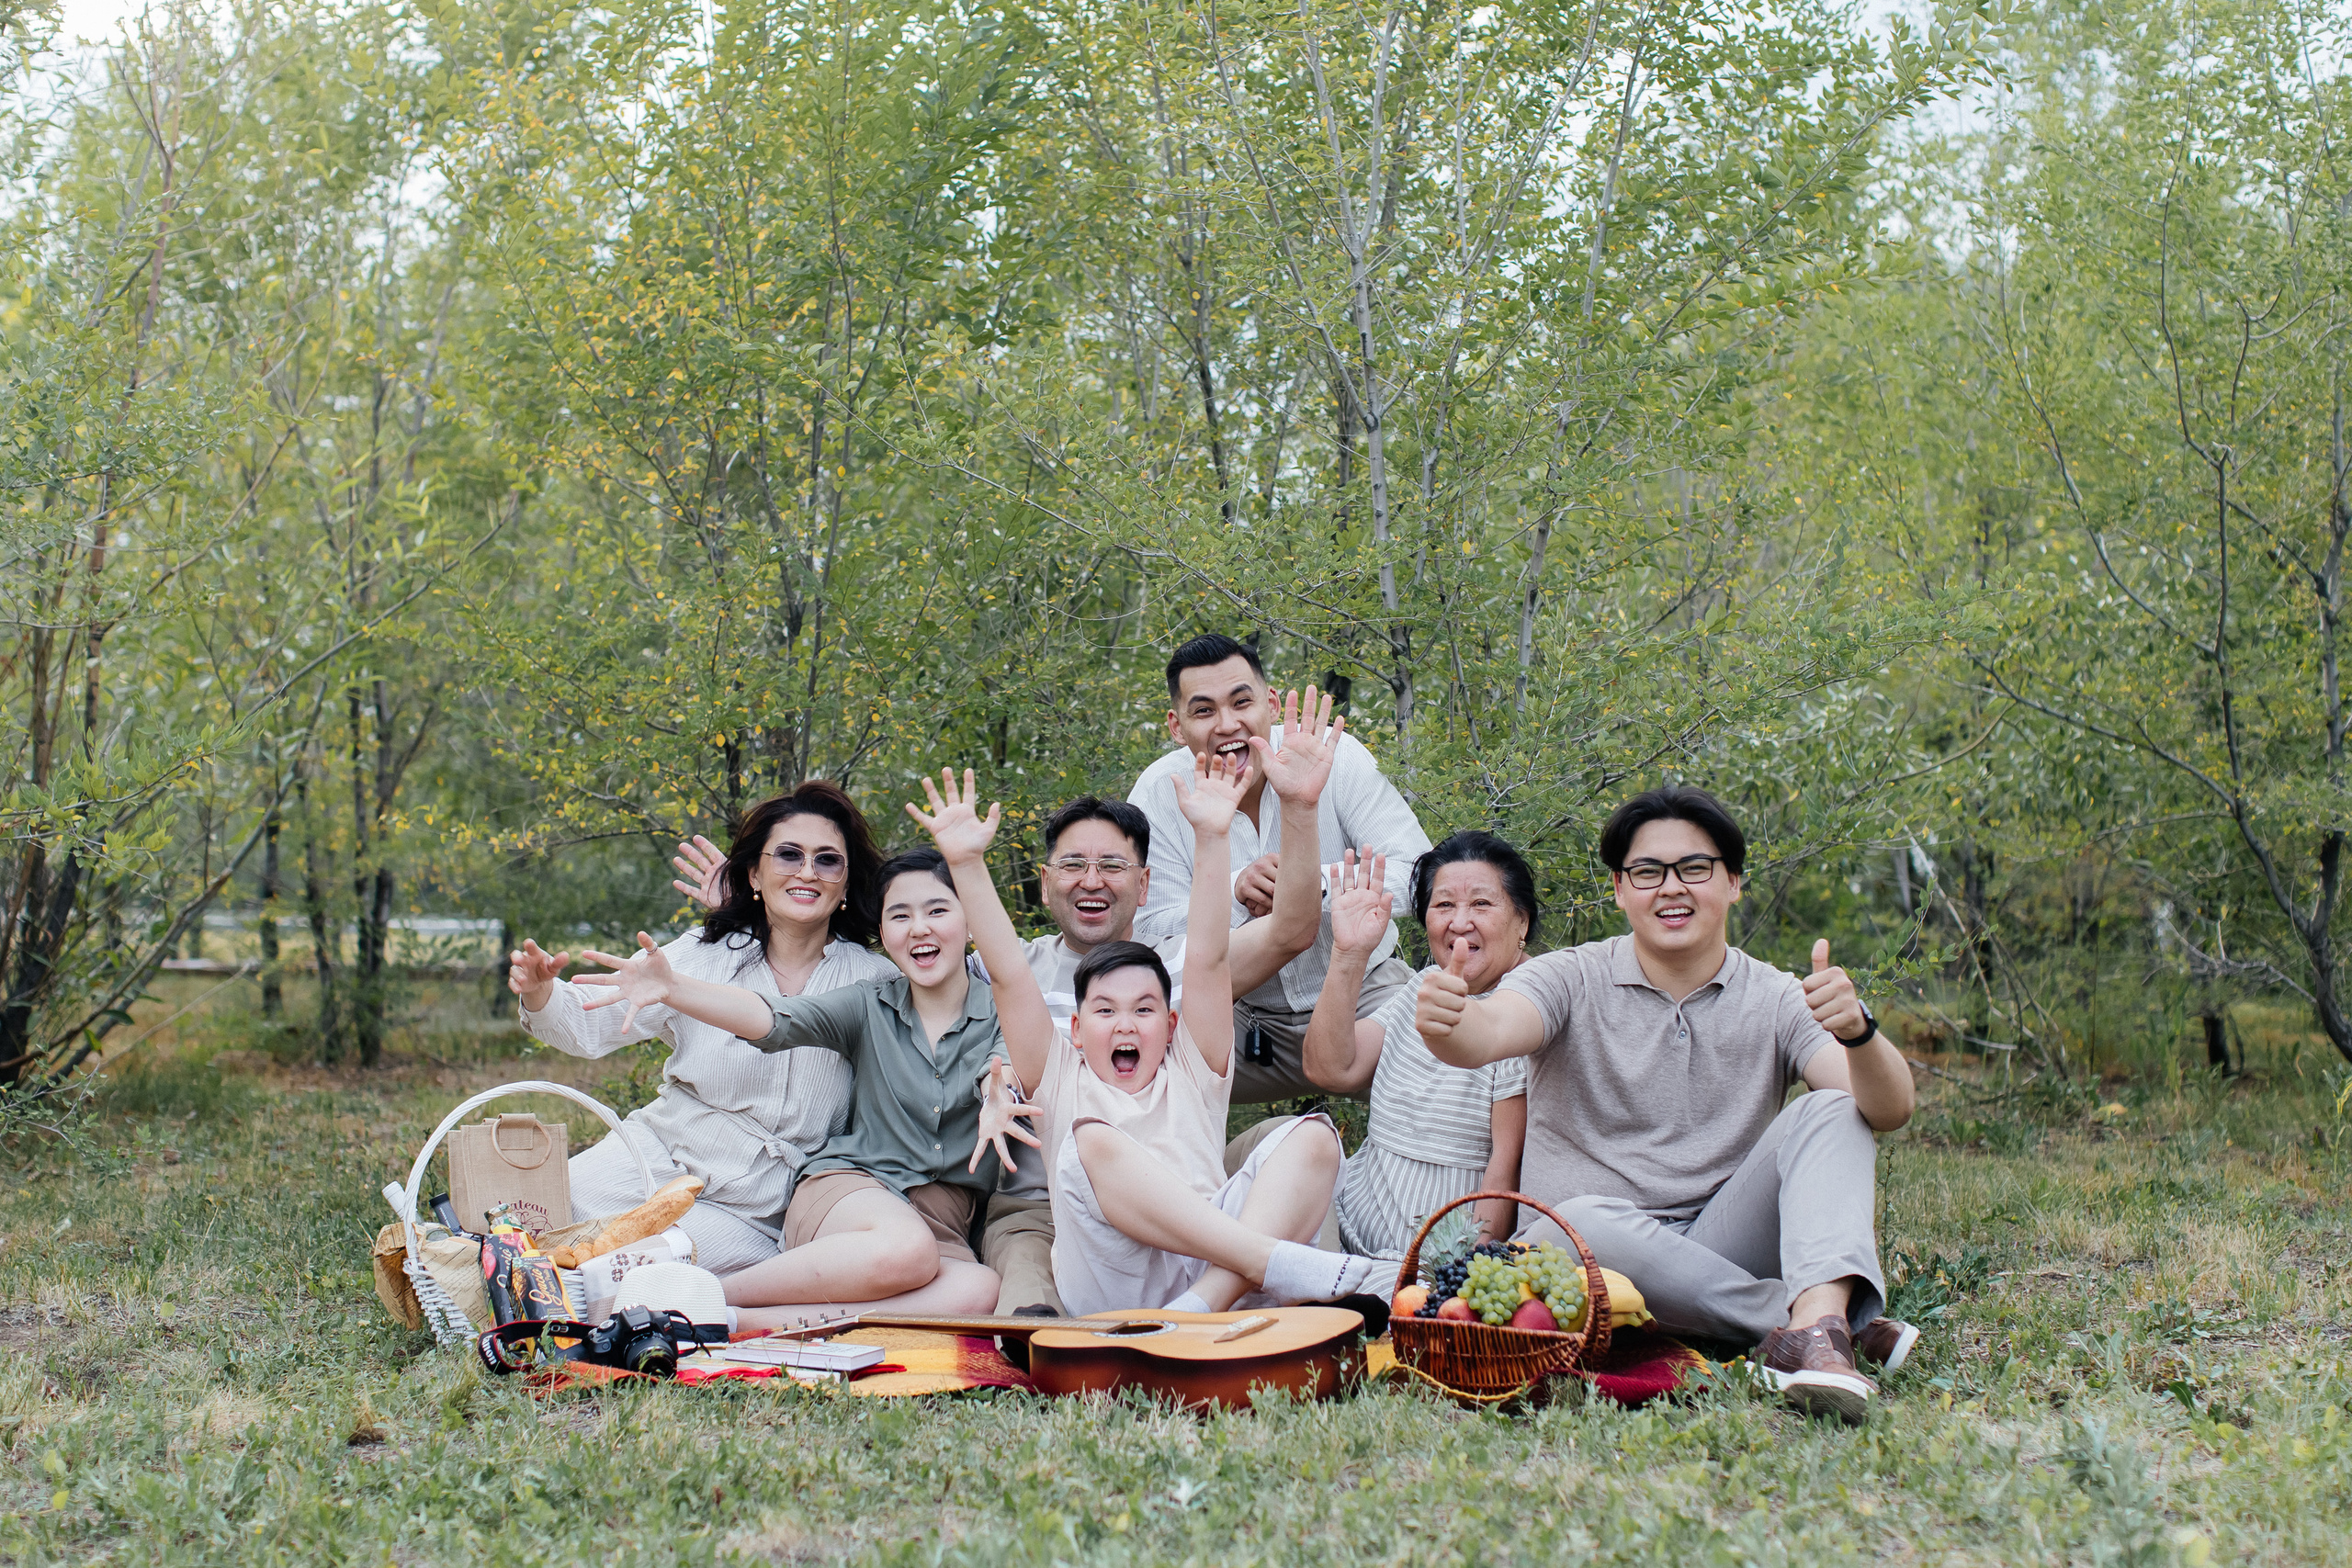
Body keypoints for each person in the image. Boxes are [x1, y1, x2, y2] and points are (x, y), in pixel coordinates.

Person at [667, 691, 1340, 1315]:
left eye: (1112, 866)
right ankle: (719, 1304)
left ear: (1145, 881)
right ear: (1074, 1027)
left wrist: (1274, 818)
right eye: (1074, 865)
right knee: (1025, 1315)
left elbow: (1243, 946)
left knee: (1309, 1140)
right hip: (1041, 1204)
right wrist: (764, 909)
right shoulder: (991, 976)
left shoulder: (1179, 982)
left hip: (1179, 1189)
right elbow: (983, 973)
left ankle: (1245, 1299)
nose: (1092, 881)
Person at [1414, 784, 1920, 1425]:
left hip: (1718, 1239)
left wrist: (1859, 1033)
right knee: (1586, 1219)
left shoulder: (1777, 996)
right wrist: (1448, 1022)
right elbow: (1486, 1033)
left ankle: (1813, 1326)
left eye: (1695, 868)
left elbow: (1890, 1107)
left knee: (1833, 1107)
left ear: (1734, 881)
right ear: (1621, 889)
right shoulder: (1570, 976)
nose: (1671, 888)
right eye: (1648, 871)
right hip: (1580, 1249)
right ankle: (1819, 1321)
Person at [568, 769, 1054, 1331]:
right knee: (904, 1252)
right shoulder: (870, 999)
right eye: (900, 916)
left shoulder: (1001, 1007)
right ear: (886, 932)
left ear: (969, 919)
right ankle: (694, 1293)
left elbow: (1012, 1058)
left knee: (977, 1291)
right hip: (852, 1190)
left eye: (939, 911)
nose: (919, 928)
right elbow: (771, 1017)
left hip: (937, 1219)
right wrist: (676, 985)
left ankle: (724, 1319)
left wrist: (1002, 1089)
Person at [972, 749, 1393, 1318]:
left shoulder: (1191, 1067)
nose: (1125, 1023)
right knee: (1090, 1142)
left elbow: (1209, 960)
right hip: (1107, 1275)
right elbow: (1006, 974)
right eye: (1105, 1012)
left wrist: (1212, 835)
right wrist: (966, 861)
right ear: (1074, 1028)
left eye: (1144, 1009)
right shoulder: (1062, 1077)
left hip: (1201, 1269)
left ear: (1171, 1023)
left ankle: (1196, 1312)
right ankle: (1273, 1267)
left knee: (1314, 1136)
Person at [505, 783, 897, 1274]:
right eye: (789, 855)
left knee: (637, 1269)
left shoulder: (876, 981)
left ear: (845, 880)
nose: (806, 872)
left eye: (827, 860)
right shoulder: (705, 953)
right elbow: (591, 1022)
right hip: (655, 1157)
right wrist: (541, 992)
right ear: (755, 873)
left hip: (756, 1205)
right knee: (525, 1221)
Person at [1129, 635, 1433, 1104]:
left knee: (1458, 1065)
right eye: (1204, 710)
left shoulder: (1334, 756)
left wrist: (1306, 884)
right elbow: (1150, 936)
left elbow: (1419, 876)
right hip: (1239, 1016)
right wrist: (1233, 890)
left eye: (1242, 702)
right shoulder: (1160, 791)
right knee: (1122, 1064)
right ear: (1176, 725)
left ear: (1270, 703)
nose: (1228, 725)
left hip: (1364, 997)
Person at [1302, 835, 1532, 1257]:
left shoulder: (1525, 1012)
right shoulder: (1421, 989)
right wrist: (1349, 954)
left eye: (1481, 904)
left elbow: (1507, 1165)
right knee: (1293, 1143)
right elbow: (1331, 1069)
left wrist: (1462, 1274)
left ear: (1522, 921)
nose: (1460, 922)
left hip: (1429, 1267)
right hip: (1342, 1232)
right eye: (1444, 905)